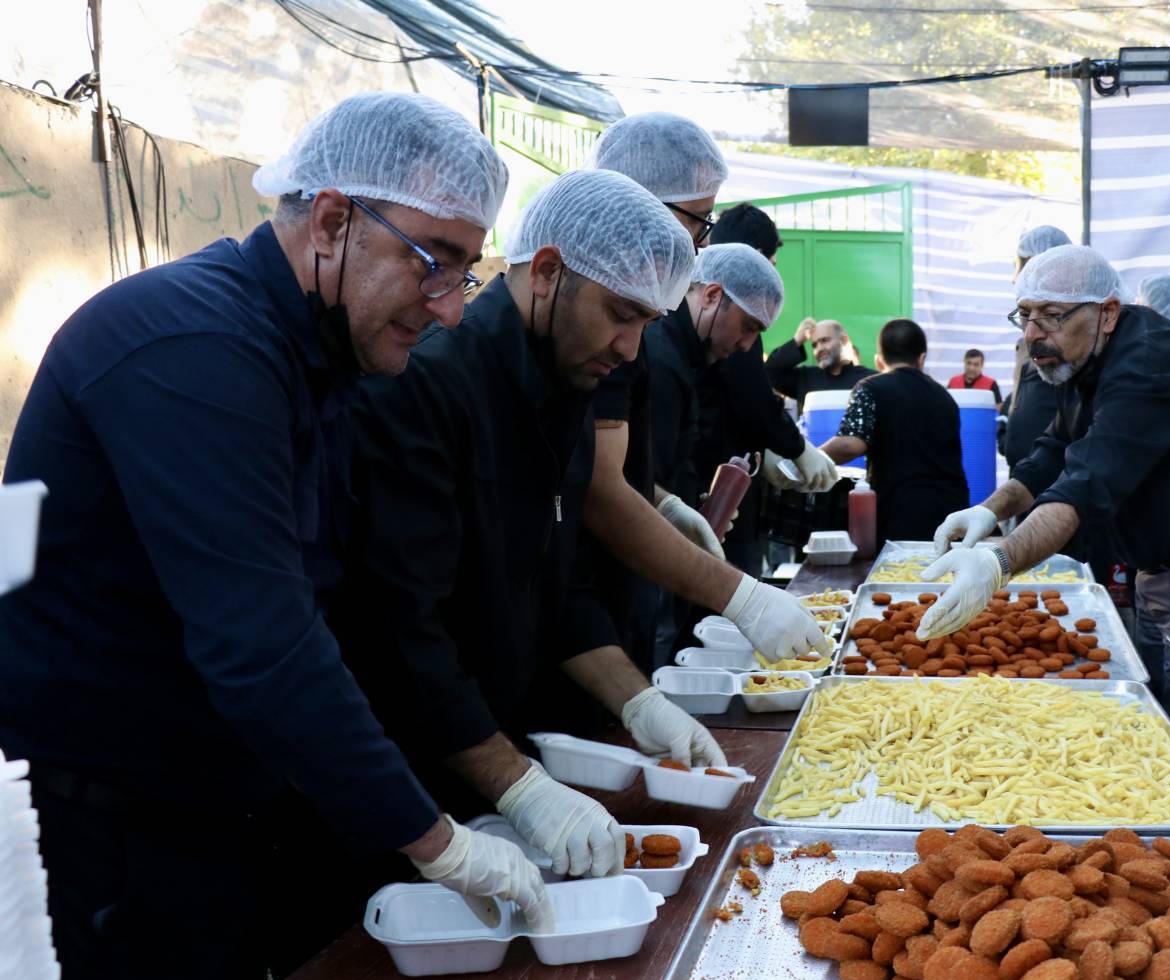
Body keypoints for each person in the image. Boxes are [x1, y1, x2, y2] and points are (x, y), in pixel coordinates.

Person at [0, 93, 548, 980]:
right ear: (333, 218)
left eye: (465, 274)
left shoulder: (311, 357)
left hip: (213, 810)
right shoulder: (192, 344)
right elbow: (264, 643)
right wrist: (436, 840)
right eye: (433, 264)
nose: (451, 310)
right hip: (103, 837)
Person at [333, 169, 712, 884]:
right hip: (412, 776)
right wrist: (517, 785)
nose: (630, 348)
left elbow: (553, 579)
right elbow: (395, 627)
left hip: (496, 738)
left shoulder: (566, 375)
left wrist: (641, 701)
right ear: (545, 272)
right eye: (619, 314)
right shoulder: (427, 382)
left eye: (647, 325)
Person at [923, 245, 1170, 798]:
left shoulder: (1149, 366)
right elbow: (1055, 451)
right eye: (1025, 316)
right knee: (1159, 720)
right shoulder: (1083, 360)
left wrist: (1000, 560)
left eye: (1053, 316)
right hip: (1159, 571)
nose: (1034, 334)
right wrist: (989, 510)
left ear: (1107, 312)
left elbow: (1085, 485)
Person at [581, 112, 830, 676]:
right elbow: (599, 487)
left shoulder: (655, 341)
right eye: (698, 219)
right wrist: (738, 595)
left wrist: (668, 502)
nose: (699, 239)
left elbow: (618, 472)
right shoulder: (653, 351)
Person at [650, 243, 787, 662]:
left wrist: (696, 505)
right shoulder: (660, 357)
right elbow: (628, 480)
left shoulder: (689, 359)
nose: (746, 345)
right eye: (746, 326)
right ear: (711, 296)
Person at [699, 204, 839, 575]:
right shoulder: (727, 319)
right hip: (716, 487)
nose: (746, 343)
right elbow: (752, 394)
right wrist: (795, 448)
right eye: (771, 265)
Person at [819, 319, 969, 544]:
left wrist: (810, 457)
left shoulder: (869, 388)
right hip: (951, 517)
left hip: (898, 515)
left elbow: (851, 443)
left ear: (880, 362)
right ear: (921, 359)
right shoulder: (945, 397)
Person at [1000, 226, 1072, 470]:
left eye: (1018, 267)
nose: (1013, 279)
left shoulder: (1071, 340)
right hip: (1025, 480)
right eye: (1023, 317)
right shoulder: (1025, 343)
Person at [766, 318, 877, 409]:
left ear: (843, 340)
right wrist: (797, 340)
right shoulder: (805, 378)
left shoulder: (870, 380)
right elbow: (769, 372)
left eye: (825, 340)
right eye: (814, 345)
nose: (819, 349)